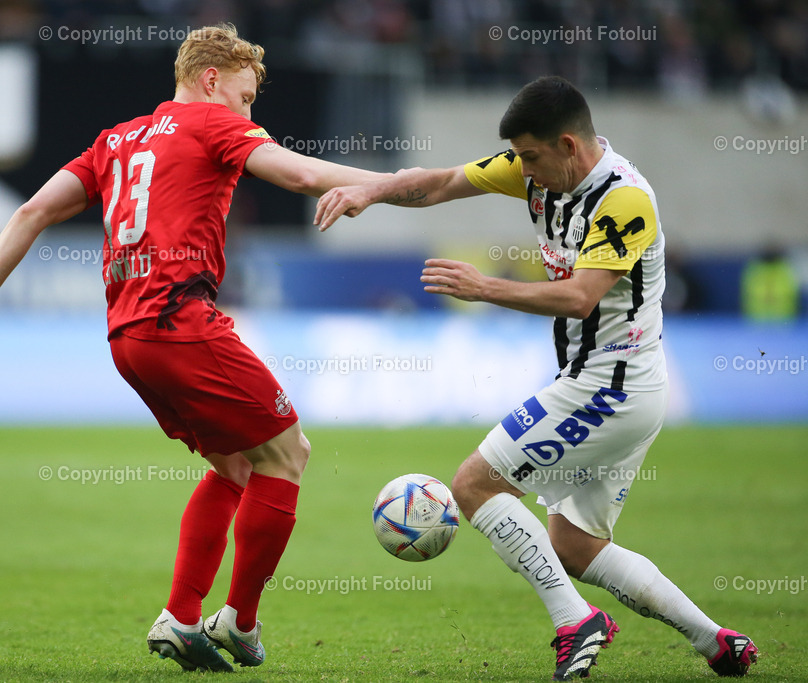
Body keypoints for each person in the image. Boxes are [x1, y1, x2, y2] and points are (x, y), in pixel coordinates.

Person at [0, 23, 386, 673]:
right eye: (245, 94)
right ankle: (239, 621)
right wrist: (387, 182)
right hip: (181, 319)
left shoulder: (115, 139)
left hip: (128, 337)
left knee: (235, 465)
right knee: (289, 453)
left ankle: (180, 617)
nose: (247, 110)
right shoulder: (212, 122)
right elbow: (297, 173)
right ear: (211, 81)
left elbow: (31, 210)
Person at [315, 76, 758, 680]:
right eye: (518, 157)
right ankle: (716, 642)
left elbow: (580, 297)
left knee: (474, 485)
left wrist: (482, 287)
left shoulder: (624, 200)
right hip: (619, 384)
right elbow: (443, 181)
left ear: (569, 145)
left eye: (530, 157)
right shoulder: (534, 168)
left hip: (610, 385)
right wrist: (371, 191)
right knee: (575, 546)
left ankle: (575, 621)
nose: (522, 169)